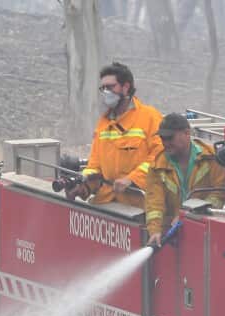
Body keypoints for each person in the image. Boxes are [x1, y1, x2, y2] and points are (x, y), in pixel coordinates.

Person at [67, 62, 163, 209]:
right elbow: (95, 165)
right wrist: (83, 186)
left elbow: (160, 158)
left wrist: (132, 179)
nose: (106, 92)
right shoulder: (103, 123)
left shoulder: (150, 117)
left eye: (110, 87)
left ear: (126, 87)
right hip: (107, 204)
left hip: (138, 204)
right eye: (103, 88)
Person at [145, 113, 225, 245]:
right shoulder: (157, 167)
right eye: (162, 138)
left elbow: (219, 195)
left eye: (170, 138)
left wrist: (191, 215)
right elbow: (154, 204)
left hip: (205, 235)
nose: (165, 143)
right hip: (172, 238)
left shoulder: (211, 159)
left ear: (187, 133)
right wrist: (154, 231)